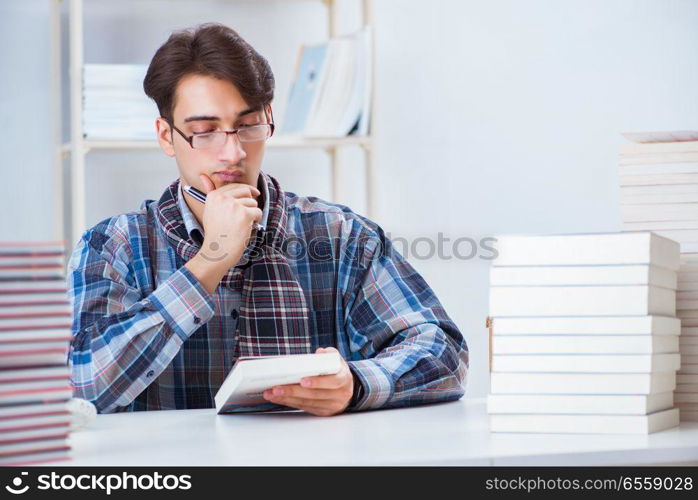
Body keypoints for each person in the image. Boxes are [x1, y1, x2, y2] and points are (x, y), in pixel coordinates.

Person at [67, 22, 468, 416]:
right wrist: (211, 261)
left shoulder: (341, 234)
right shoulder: (112, 244)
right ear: (165, 136)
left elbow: (442, 351)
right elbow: (82, 384)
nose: (233, 153)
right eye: (205, 131)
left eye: (247, 126)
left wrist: (356, 384)